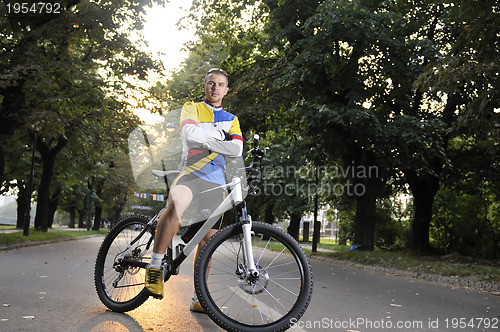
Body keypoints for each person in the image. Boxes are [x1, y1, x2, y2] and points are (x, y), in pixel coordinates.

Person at [144, 68, 244, 312]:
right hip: (190, 173)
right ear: (204, 86)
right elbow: (189, 134)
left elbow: (237, 150)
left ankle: (201, 296)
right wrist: (221, 139)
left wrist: (206, 136)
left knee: (207, 240)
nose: (215, 88)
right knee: (177, 202)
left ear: (226, 90)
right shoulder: (191, 108)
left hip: (216, 181)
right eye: (211, 83)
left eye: (220, 84)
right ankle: (155, 268)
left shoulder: (232, 119)